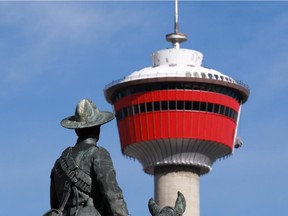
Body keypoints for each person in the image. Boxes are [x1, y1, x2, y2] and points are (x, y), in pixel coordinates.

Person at [48, 99, 129, 216]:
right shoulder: (99, 154)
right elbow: (113, 197)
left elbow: (55, 205)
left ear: (76, 130)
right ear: (98, 128)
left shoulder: (59, 163)